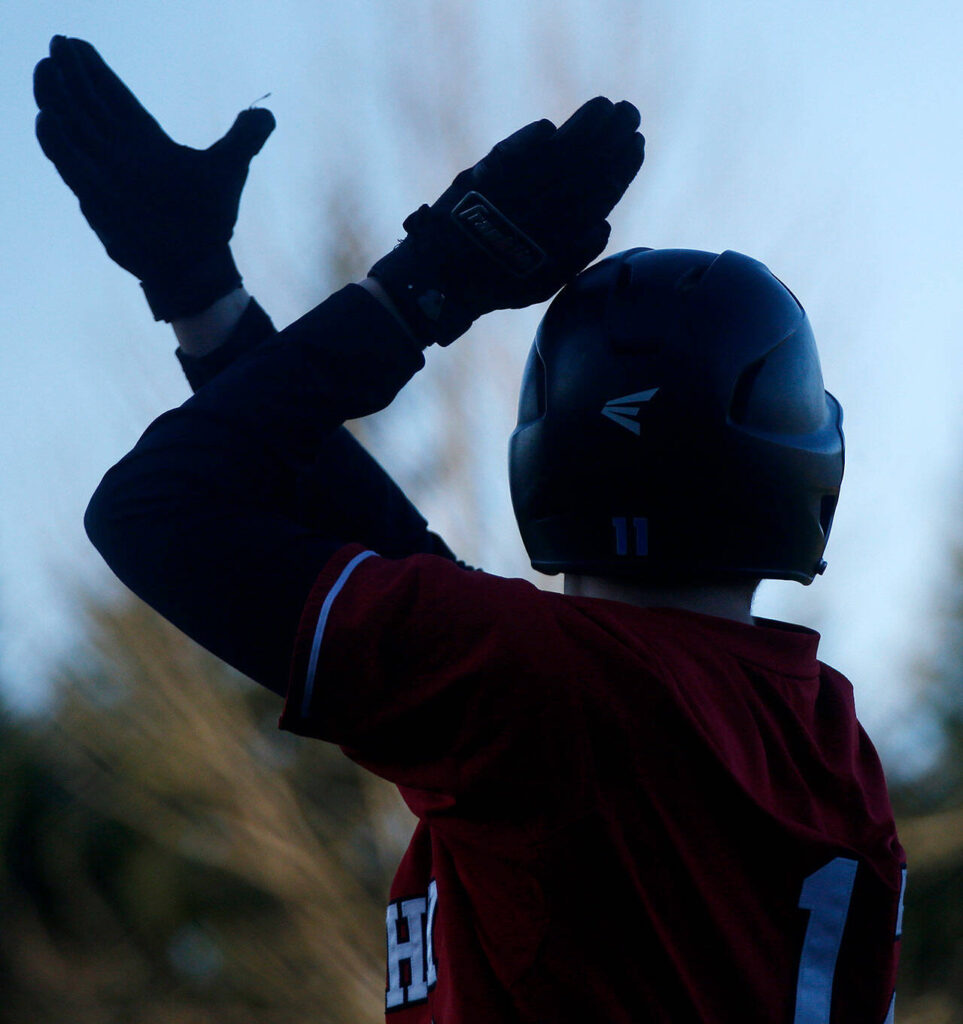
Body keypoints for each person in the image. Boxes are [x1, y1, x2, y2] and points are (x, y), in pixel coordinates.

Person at [35, 35, 905, 1023]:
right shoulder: (824, 742)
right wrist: (206, 303)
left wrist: (430, 283)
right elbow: (428, 585)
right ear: (794, 465)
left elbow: (154, 510)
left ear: (547, 449)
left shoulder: (536, 690)